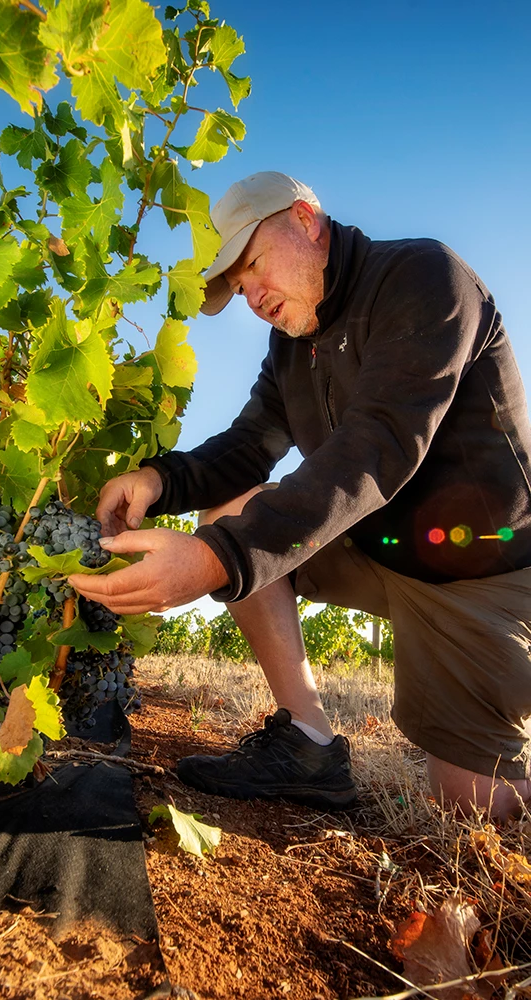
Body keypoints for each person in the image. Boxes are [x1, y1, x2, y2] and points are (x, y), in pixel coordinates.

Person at [69, 171, 531, 819]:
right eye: (236, 285)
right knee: (230, 513)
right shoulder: (292, 345)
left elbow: (380, 445)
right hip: (379, 550)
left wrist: (214, 560)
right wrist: (157, 480)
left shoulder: (426, 278)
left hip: (484, 570)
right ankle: (310, 742)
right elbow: (248, 447)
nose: (251, 295)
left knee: (474, 808)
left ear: (307, 219)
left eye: (253, 263)